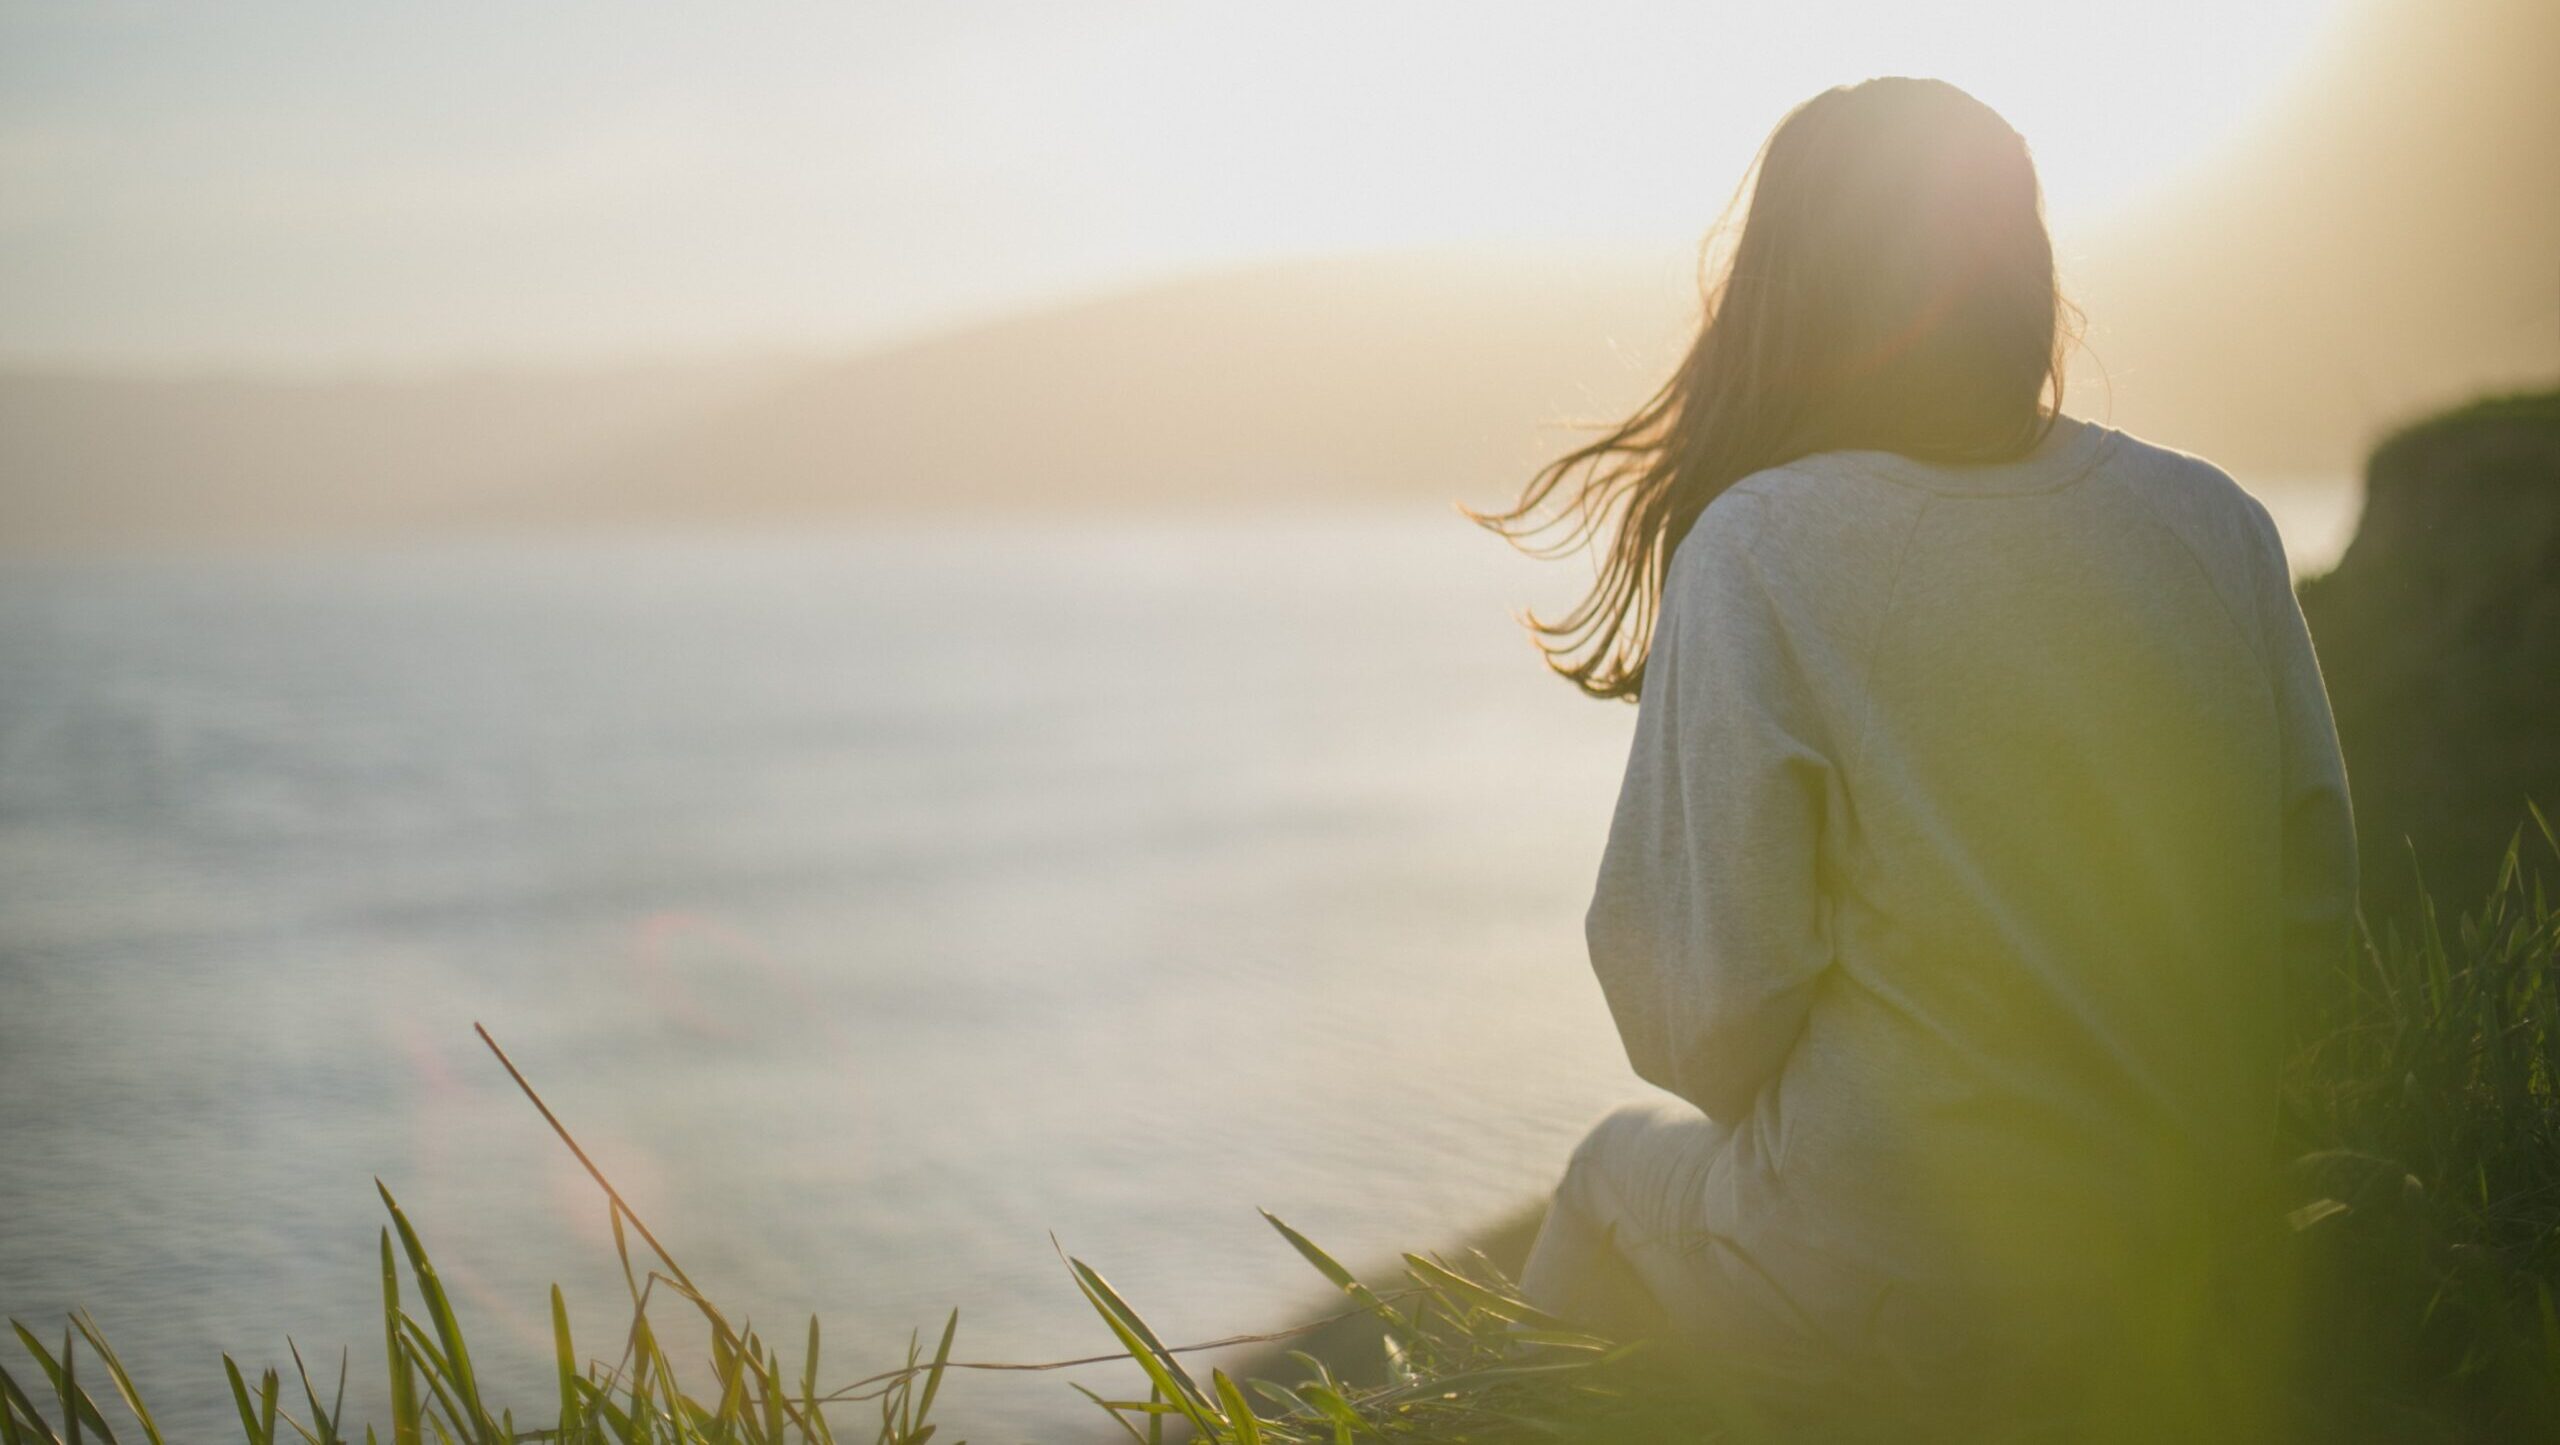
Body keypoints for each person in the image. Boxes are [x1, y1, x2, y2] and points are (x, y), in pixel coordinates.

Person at [1478, 78, 2359, 1424]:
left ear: (1787, 290)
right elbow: (2312, 931)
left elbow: (1702, 1022)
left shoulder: (1763, 548)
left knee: (1608, 1175)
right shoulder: (2218, 521)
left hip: (1907, 1276)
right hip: (2196, 1244)